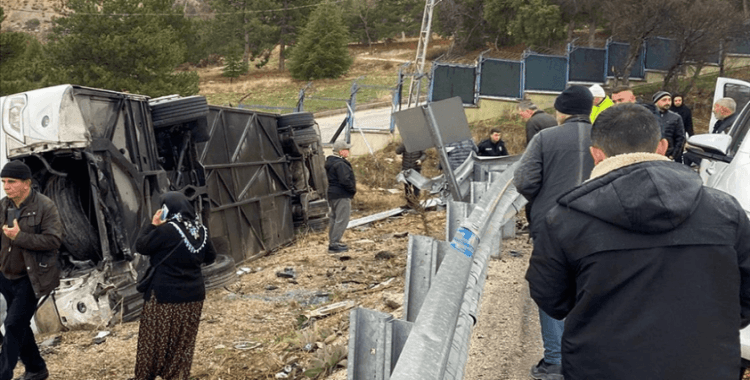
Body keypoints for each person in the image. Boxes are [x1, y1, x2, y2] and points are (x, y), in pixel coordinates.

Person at [525, 103, 750, 380]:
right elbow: (744, 295)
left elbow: (551, 298)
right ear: (662, 147)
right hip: (707, 366)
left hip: (601, 367)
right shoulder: (726, 211)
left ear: (596, 155)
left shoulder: (565, 219)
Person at [513, 85, 595, 380]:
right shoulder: (604, 137)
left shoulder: (546, 137)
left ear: (562, 110)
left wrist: (543, 198)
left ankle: (556, 360)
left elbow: (524, 180)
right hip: (599, 226)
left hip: (552, 226)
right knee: (591, 289)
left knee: (551, 287)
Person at [129, 191, 216, 380]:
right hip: (193, 296)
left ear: (167, 209)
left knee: (153, 339)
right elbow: (211, 257)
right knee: (182, 342)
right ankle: (175, 375)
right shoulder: (201, 230)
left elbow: (141, 246)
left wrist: (153, 224)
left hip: (164, 296)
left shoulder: (167, 230)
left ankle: (145, 376)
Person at [0, 161, 62, 380]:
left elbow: (54, 241)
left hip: (32, 277)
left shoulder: (45, 206)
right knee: (20, 324)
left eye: (11, 182)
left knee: (13, 323)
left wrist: (20, 237)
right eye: (4, 182)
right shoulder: (3, 205)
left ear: (26, 183)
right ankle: (36, 368)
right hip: (6, 275)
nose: (6, 186)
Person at [326, 141, 356, 253]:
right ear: (340, 151)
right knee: (342, 219)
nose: (348, 151)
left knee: (334, 218)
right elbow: (345, 180)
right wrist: (352, 190)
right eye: (346, 149)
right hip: (341, 194)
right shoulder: (341, 164)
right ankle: (334, 244)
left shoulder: (330, 162)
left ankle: (333, 242)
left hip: (332, 194)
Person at [650, 91, 686, 163]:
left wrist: (673, 155)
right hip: (650, 155)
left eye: (669, 100)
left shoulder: (676, 117)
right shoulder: (648, 116)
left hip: (667, 156)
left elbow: (680, 138)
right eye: (664, 100)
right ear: (656, 102)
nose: (667, 102)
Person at [395, 143, 425, 208]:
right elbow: (397, 151)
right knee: (407, 187)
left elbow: (424, 154)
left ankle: (416, 203)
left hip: (416, 169)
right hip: (406, 169)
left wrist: (420, 160)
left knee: (416, 187)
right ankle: (409, 204)